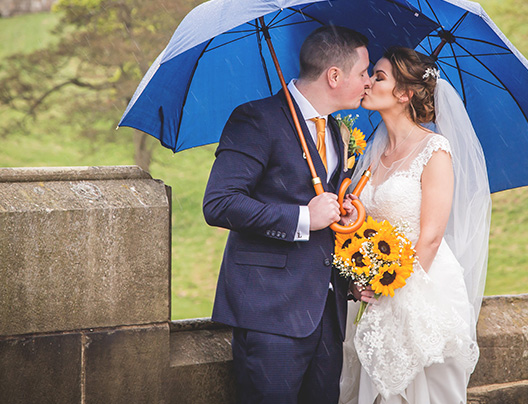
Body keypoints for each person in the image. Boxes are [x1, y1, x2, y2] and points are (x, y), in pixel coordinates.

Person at [203, 25, 372, 404]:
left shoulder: (338, 132)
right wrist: (302, 218)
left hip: (327, 316)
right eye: (362, 73)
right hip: (270, 313)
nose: (367, 81)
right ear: (334, 76)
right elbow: (219, 202)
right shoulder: (256, 120)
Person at [339, 47, 492, 404]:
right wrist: (360, 272)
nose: (368, 82)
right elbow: (363, 226)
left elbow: (432, 235)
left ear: (405, 93)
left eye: (378, 76)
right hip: (373, 288)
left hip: (420, 287)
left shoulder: (434, 150)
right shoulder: (370, 154)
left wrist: (391, 288)